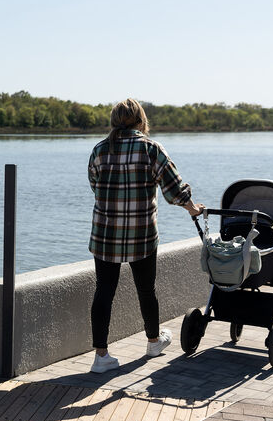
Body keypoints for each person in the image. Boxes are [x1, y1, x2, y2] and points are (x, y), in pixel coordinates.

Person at [87, 98, 204, 373]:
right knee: (146, 289)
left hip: (106, 233)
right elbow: (174, 190)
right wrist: (192, 208)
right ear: (141, 121)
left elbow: (94, 184)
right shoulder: (152, 149)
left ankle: (101, 356)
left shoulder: (99, 150)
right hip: (141, 235)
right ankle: (153, 342)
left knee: (104, 291)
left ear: (114, 121)